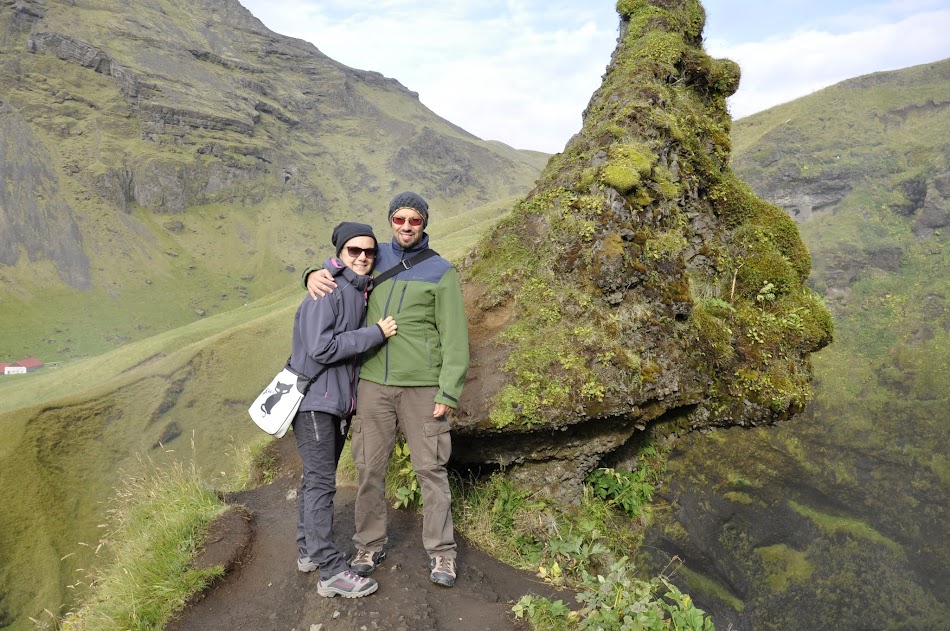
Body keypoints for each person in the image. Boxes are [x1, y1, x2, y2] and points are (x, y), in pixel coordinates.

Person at [304, 191, 469, 587]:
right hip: (373, 384)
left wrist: (448, 391)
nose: (406, 227)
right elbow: (339, 267)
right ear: (391, 221)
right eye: (399, 219)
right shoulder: (374, 257)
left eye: (414, 220)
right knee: (369, 469)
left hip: (422, 386)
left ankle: (442, 553)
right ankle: (368, 544)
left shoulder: (441, 271)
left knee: (430, 470)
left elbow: (454, 336)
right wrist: (310, 274)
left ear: (424, 223)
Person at [290, 221, 397, 599]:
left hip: (333, 404)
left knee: (315, 480)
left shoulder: (357, 289)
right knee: (321, 484)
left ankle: (308, 550)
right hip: (316, 403)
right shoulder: (327, 290)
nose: (363, 257)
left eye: (369, 251)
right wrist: (375, 334)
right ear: (339, 253)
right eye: (354, 250)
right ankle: (332, 571)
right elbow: (320, 348)